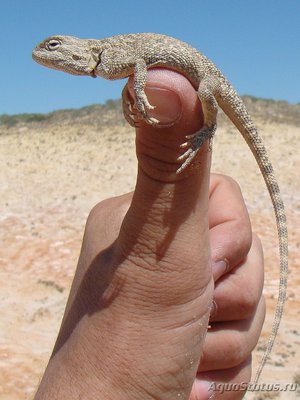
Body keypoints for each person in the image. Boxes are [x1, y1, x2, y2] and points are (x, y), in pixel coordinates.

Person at [34, 69, 265, 400]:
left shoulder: (112, 53)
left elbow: (140, 67)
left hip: (209, 83)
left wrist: (144, 95)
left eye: (55, 47)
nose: (51, 56)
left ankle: (208, 128)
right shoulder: (108, 61)